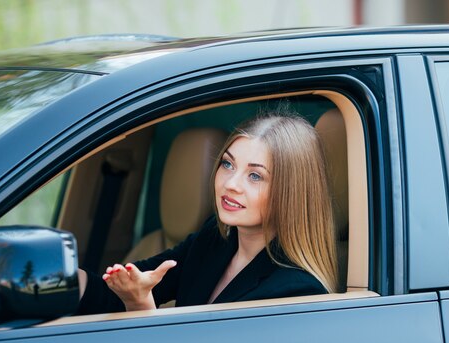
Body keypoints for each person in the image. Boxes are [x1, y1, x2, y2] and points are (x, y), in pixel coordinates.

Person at [76, 113, 338, 315]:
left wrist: (140, 304)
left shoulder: (297, 292)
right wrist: (55, 279)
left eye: (255, 175)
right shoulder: (214, 239)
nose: (231, 183)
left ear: (292, 192)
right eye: (227, 164)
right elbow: (112, 293)